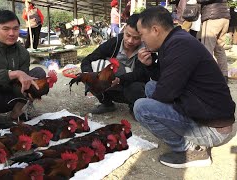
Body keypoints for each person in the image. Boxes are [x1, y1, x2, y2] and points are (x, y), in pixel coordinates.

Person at [134, 6, 235, 168]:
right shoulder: (175, 41)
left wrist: (157, 108)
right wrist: (150, 65)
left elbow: (165, 94)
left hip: (213, 130)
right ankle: (189, 140)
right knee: (151, 87)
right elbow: (162, 83)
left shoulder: (180, 46)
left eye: (141, 34)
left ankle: (192, 151)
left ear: (155, 30)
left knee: (142, 108)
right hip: (206, 114)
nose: (142, 40)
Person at [0, 10, 45, 133]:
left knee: (38, 74)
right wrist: (14, 73)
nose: (12, 33)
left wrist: (30, 86)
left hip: (12, 94)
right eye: (6, 29)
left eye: (15, 29)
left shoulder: (22, 52)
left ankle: (16, 113)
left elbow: (23, 81)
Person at [81, 14, 151, 115]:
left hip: (129, 85)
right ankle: (107, 104)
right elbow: (87, 60)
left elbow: (141, 74)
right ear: (124, 30)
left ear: (143, 36)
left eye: (136, 38)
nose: (130, 41)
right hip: (110, 86)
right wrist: (91, 76)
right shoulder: (114, 43)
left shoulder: (146, 49)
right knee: (89, 78)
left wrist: (120, 80)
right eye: (128, 35)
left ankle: (134, 107)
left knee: (136, 87)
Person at [198, 0, 231, 82]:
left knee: (206, 48)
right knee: (220, 48)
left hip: (212, 16)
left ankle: (207, 75)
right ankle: (224, 75)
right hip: (225, 16)